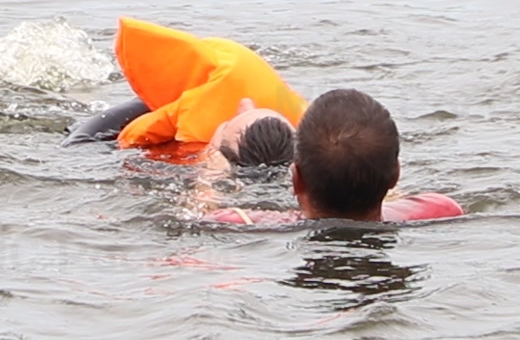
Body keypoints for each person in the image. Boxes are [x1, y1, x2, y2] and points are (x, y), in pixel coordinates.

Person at [204, 89, 463, 225]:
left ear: (295, 178)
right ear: (396, 174)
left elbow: (203, 216)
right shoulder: (442, 209)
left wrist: (210, 173)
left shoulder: (237, 220)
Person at [62, 18, 306, 157]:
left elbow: (81, 142)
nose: (246, 104)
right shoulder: (305, 136)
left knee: (77, 143)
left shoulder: (194, 145)